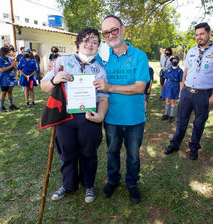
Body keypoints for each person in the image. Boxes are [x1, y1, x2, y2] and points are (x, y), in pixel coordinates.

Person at [40, 28, 109, 203]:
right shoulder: (62, 61)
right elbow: (44, 86)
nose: (89, 44)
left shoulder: (100, 69)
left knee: (88, 153)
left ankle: (88, 185)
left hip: (89, 117)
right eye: (85, 40)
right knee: (66, 151)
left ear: (98, 46)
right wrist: (55, 80)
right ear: (78, 43)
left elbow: (103, 98)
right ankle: (68, 184)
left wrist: (100, 116)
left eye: (94, 42)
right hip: (65, 116)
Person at [94, 15, 150, 204]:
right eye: (106, 32)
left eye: (114, 30)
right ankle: (113, 180)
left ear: (123, 29)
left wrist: (109, 87)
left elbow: (140, 87)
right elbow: (83, 69)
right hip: (111, 117)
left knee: (133, 155)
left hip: (134, 118)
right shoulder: (100, 58)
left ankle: (132, 183)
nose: (110, 35)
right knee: (112, 152)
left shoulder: (139, 55)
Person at [163, 22, 213, 160]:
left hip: (203, 95)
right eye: (197, 35)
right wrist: (181, 90)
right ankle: (174, 144)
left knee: (199, 123)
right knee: (181, 122)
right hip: (186, 92)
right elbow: (185, 72)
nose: (199, 37)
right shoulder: (192, 51)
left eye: (202, 34)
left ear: (209, 33)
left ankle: (193, 148)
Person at [0, 47, 19, 112]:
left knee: (10, 92)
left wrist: (15, 65)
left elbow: (13, 66)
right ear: (4, 52)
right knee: (3, 92)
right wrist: (11, 66)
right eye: (8, 52)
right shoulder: (0, 59)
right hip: (4, 78)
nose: (9, 53)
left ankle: (11, 105)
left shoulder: (9, 58)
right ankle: (1, 106)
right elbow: (2, 69)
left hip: (11, 77)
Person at [161, 56, 183, 122]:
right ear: (171, 62)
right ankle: (166, 114)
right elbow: (165, 78)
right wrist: (164, 87)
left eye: (176, 61)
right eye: (173, 61)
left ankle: (172, 115)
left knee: (173, 101)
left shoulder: (180, 70)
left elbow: (181, 81)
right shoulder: (168, 69)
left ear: (178, 61)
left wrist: (180, 91)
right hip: (168, 85)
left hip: (175, 86)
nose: (174, 62)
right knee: (167, 100)